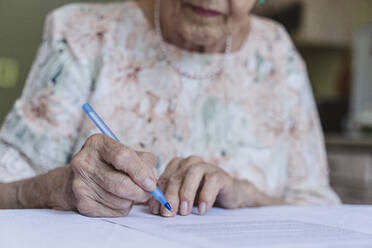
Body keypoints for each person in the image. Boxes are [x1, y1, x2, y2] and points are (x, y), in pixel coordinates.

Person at [0, 0, 340, 217]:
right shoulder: (82, 31)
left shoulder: (278, 51)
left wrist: (246, 195)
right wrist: (57, 188)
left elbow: (322, 211)